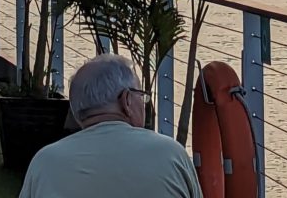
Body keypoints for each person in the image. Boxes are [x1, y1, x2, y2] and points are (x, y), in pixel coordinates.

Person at [20, 54, 203, 198]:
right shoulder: (171, 154)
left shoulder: (46, 162)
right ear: (127, 100)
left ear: (77, 111)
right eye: (141, 95)